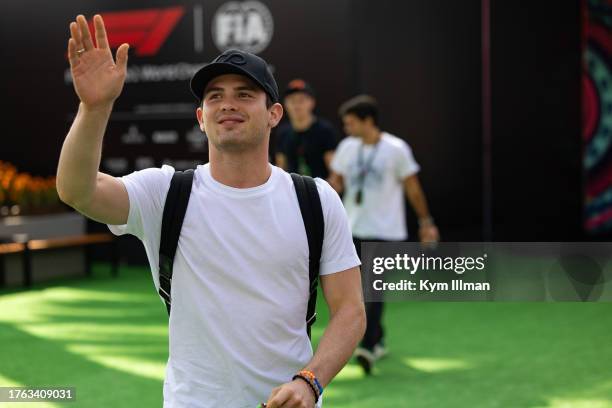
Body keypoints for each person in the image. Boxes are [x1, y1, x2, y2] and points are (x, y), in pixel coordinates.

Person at [57, 15, 365, 408]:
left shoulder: (316, 199)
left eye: (244, 94)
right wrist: (95, 108)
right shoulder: (165, 193)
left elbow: (351, 312)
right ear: (201, 119)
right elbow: (76, 190)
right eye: (214, 96)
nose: (227, 105)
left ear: (273, 114)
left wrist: (309, 382)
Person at [328, 95, 439, 375]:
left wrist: (426, 222)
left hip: (386, 232)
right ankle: (379, 337)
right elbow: (336, 183)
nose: (346, 127)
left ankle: (368, 346)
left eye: (351, 122)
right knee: (357, 291)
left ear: (368, 121)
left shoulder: (396, 149)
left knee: (372, 289)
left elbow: (413, 188)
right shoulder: (346, 147)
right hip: (351, 229)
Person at [275, 79, 338, 179]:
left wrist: (324, 192)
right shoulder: (283, 133)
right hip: (292, 190)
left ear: (312, 102)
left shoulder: (325, 131)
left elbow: (334, 171)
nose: (296, 105)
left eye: (301, 100)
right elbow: (281, 168)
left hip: (319, 189)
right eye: (291, 100)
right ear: (285, 104)